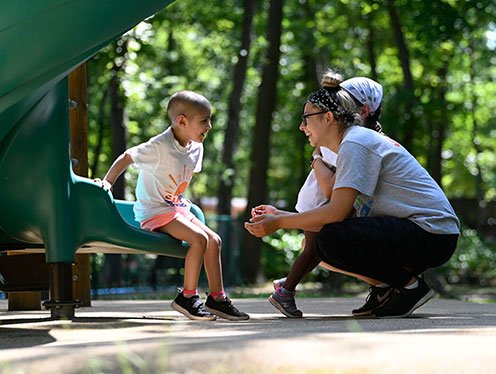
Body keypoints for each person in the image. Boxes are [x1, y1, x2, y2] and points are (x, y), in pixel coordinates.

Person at [245, 80, 460, 319]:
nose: (301, 126)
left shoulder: (356, 143)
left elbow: (336, 213)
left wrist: (279, 223)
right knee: (323, 241)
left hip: (431, 233)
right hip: (427, 233)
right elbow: (341, 212)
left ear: (328, 117)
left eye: (306, 118)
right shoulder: (353, 142)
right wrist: (280, 215)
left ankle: (409, 288)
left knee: (331, 239)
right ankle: (390, 289)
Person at [96, 90, 249, 321]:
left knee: (215, 241)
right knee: (199, 240)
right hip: (154, 210)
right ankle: (186, 297)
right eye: (204, 120)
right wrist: (107, 182)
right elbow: (128, 156)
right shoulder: (159, 146)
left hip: (174, 207)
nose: (209, 126)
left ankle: (217, 299)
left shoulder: (196, 146)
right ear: (181, 121)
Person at [253, 72, 386, 318]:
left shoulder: (355, 140)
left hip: (321, 201)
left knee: (316, 250)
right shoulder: (342, 141)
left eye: (346, 102)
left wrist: (315, 159)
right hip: (319, 203)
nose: (338, 106)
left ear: (363, 110)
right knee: (315, 249)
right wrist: (316, 160)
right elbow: (330, 189)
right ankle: (286, 289)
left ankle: (379, 287)